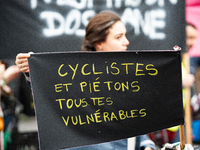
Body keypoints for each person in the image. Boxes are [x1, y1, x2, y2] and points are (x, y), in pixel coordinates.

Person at [15, 11, 156, 150]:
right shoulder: (74, 77)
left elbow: (135, 120)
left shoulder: (129, 80)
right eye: (118, 37)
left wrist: (146, 145)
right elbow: (49, 90)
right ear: (99, 43)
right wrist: (31, 69)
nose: (126, 42)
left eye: (125, 35)